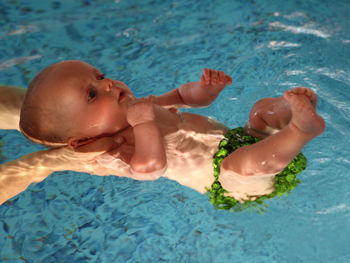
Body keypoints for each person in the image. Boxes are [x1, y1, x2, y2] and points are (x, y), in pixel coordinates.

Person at [0, 60, 325, 207]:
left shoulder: (141, 106)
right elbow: (151, 168)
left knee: (260, 113)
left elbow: (184, 99)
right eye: (92, 95)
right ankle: (300, 130)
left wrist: (206, 89)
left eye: (99, 76)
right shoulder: (118, 149)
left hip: (238, 138)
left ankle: (289, 110)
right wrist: (143, 125)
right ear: (83, 140)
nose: (108, 84)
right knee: (239, 166)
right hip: (227, 182)